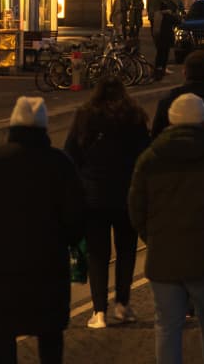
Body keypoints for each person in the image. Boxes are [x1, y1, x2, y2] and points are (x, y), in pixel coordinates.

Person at [0, 96, 87, 364]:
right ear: (44, 128)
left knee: (3, 336)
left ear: (12, 125)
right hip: (48, 264)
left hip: (0, 264)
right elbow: (77, 215)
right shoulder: (59, 163)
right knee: (49, 335)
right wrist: (61, 241)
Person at [129, 94, 204, 364]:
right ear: (203, 120)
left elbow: (136, 208)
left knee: (167, 327)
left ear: (171, 120)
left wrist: (153, 237)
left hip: (163, 257)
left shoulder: (151, 157)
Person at [64, 78, 150, 330]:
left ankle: (98, 311)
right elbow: (145, 153)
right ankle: (122, 304)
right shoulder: (134, 117)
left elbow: (70, 154)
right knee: (126, 250)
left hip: (93, 198)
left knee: (97, 254)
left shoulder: (85, 117)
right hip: (126, 194)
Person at [149, 0, 178, 81]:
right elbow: (177, 21)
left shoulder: (158, 15)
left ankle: (157, 68)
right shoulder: (168, 16)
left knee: (159, 54)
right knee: (165, 54)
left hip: (158, 37)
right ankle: (162, 69)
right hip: (166, 38)